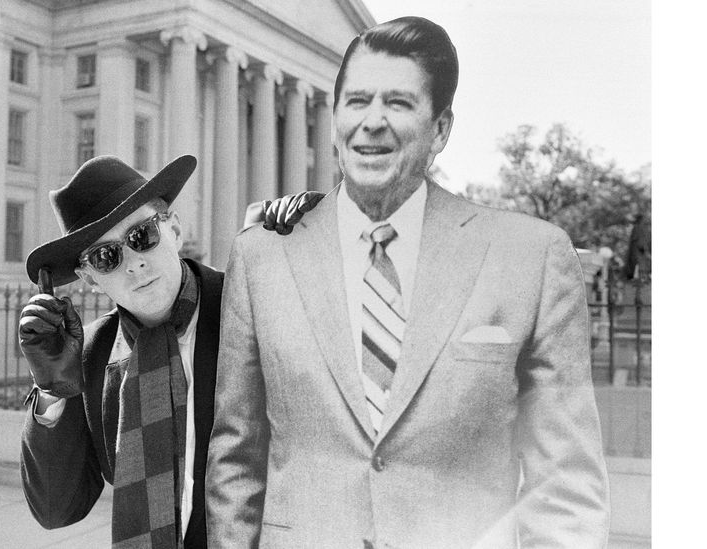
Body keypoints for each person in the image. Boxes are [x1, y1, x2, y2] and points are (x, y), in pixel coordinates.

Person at [206, 16, 610, 549]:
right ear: (334, 121)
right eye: (357, 101)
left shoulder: (529, 258)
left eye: (398, 103)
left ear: (441, 129)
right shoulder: (262, 257)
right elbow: (236, 460)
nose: (372, 122)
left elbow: (566, 487)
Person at [17, 154, 308, 548]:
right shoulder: (90, 356)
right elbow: (57, 509)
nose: (134, 264)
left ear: (173, 229)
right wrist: (53, 388)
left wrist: (330, 250)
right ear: (88, 277)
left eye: (141, 236)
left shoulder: (254, 308)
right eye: (107, 256)